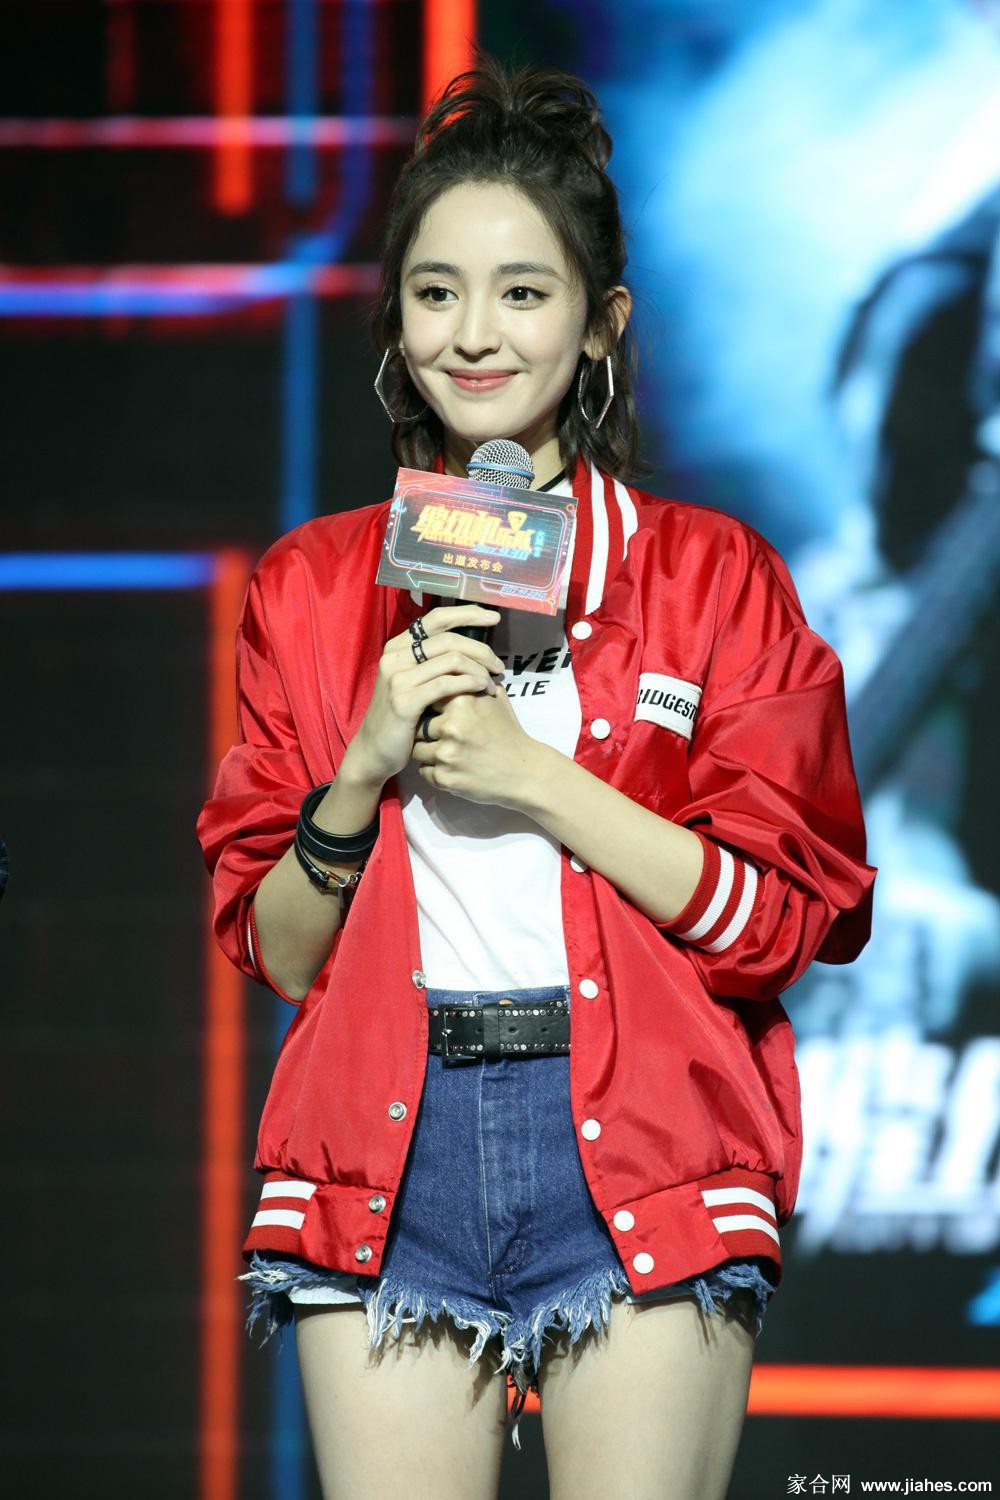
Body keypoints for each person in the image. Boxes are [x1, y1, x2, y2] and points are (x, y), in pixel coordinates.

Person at [196, 53, 876, 1500]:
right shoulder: (313, 588)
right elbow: (277, 948)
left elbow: (785, 921)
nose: (475, 335)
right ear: (396, 324)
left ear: (600, 320)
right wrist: (361, 771)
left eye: (523, 292)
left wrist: (537, 777)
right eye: (437, 292)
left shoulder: (711, 578)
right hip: (384, 1151)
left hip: (645, 1143)